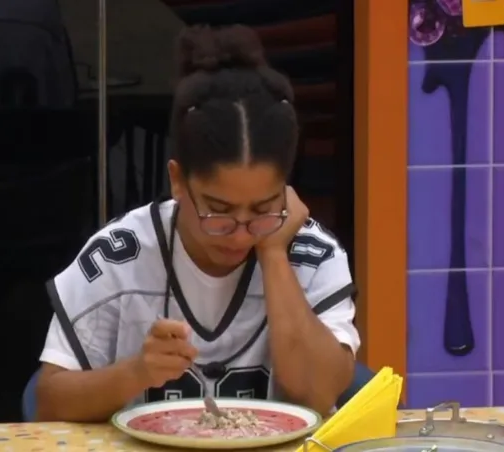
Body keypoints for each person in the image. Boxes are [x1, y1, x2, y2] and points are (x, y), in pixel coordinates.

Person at [35, 25, 359, 422]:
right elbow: (49, 403)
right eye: (219, 211)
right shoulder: (119, 257)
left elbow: (318, 394)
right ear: (177, 180)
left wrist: (274, 252)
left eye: (262, 209)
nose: (240, 234)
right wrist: (136, 372)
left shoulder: (313, 255)